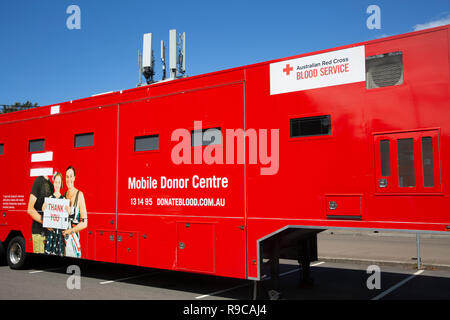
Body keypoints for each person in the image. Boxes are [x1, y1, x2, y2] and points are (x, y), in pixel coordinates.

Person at [62, 166, 87, 258]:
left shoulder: (79, 195)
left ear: (74, 178)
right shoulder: (63, 196)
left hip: (74, 241)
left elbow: (84, 223)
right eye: (67, 176)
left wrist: (70, 231)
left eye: (71, 176)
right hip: (64, 241)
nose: (69, 179)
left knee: (74, 267)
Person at [42, 172, 69, 256]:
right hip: (51, 231)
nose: (57, 184)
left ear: (61, 184)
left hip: (59, 232)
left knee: (59, 252)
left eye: (59, 182)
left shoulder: (64, 200)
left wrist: (68, 210)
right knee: (50, 252)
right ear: (53, 183)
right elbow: (44, 212)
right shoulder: (50, 199)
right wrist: (44, 208)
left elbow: (67, 215)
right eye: (56, 182)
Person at [27, 175, 54, 254]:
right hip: (39, 233)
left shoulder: (51, 184)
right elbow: (30, 209)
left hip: (48, 234)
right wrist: (46, 222)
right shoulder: (38, 181)